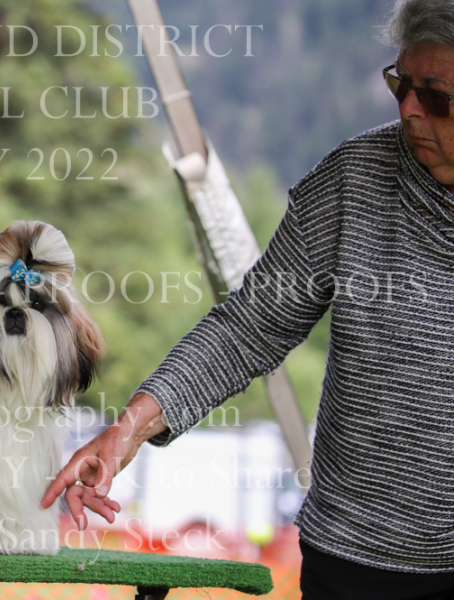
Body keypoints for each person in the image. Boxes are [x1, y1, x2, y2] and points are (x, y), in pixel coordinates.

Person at [43, 0, 454, 597]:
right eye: (401, 84)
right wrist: (128, 429)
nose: (410, 109)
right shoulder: (355, 178)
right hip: (355, 560)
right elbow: (248, 328)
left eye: (436, 97)